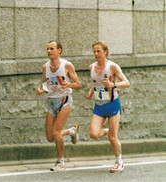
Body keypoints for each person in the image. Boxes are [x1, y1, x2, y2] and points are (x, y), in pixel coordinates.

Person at [36, 41, 82, 171]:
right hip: (51, 101)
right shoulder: (45, 67)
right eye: (47, 49)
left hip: (64, 100)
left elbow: (78, 84)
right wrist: (40, 90)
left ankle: (60, 161)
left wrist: (69, 85)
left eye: (52, 48)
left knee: (56, 133)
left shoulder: (66, 65)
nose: (49, 51)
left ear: (59, 50)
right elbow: (44, 84)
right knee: (50, 137)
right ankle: (71, 131)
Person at [86, 40, 130, 173]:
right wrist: (90, 91)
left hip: (112, 104)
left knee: (112, 137)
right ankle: (107, 130)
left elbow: (126, 82)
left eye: (98, 51)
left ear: (105, 52)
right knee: (93, 134)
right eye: (94, 51)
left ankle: (119, 162)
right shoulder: (91, 67)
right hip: (99, 105)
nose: (96, 54)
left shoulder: (112, 67)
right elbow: (95, 82)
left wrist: (113, 85)